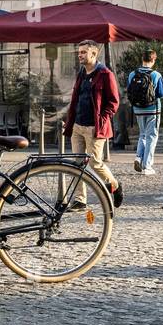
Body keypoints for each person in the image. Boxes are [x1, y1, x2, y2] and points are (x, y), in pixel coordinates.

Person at [62, 40, 124, 208]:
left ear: (94, 54)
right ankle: (80, 200)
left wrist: (103, 119)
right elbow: (76, 98)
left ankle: (114, 185)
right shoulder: (82, 73)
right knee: (77, 164)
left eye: (83, 52)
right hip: (77, 126)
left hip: (94, 128)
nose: (79, 55)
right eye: (79, 52)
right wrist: (70, 120)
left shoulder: (105, 74)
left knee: (95, 163)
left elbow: (113, 102)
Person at [125, 48, 163, 175]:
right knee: (152, 136)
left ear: (142, 59)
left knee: (142, 134)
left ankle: (138, 157)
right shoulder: (156, 75)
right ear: (153, 60)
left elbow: (129, 91)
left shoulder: (132, 74)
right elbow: (161, 93)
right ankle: (147, 166)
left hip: (138, 109)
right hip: (153, 109)